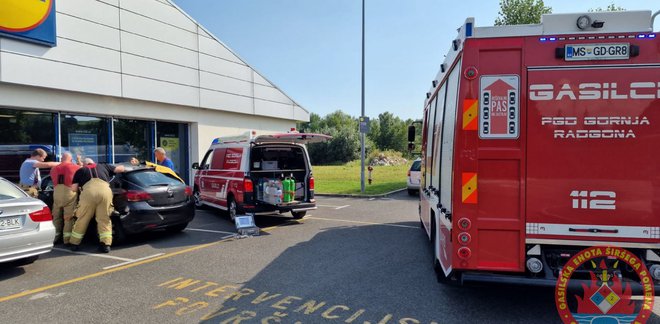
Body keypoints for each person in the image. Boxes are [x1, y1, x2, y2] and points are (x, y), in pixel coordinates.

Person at [69, 158, 125, 253]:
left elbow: (74, 189)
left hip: (88, 194)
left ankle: (74, 244)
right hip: (105, 192)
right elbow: (120, 169)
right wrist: (123, 165)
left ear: (84, 164)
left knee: (82, 218)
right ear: (93, 162)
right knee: (104, 219)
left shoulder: (80, 170)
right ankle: (106, 245)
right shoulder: (104, 166)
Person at [49, 152, 82, 244]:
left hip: (57, 194)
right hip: (69, 193)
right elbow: (83, 170)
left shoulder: (54, 168)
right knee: (68, 218)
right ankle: (66, 240)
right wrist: (79, 160)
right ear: (71, 159)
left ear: (61, 158)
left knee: (56, 217)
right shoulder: (74, 166)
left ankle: (55, 238)